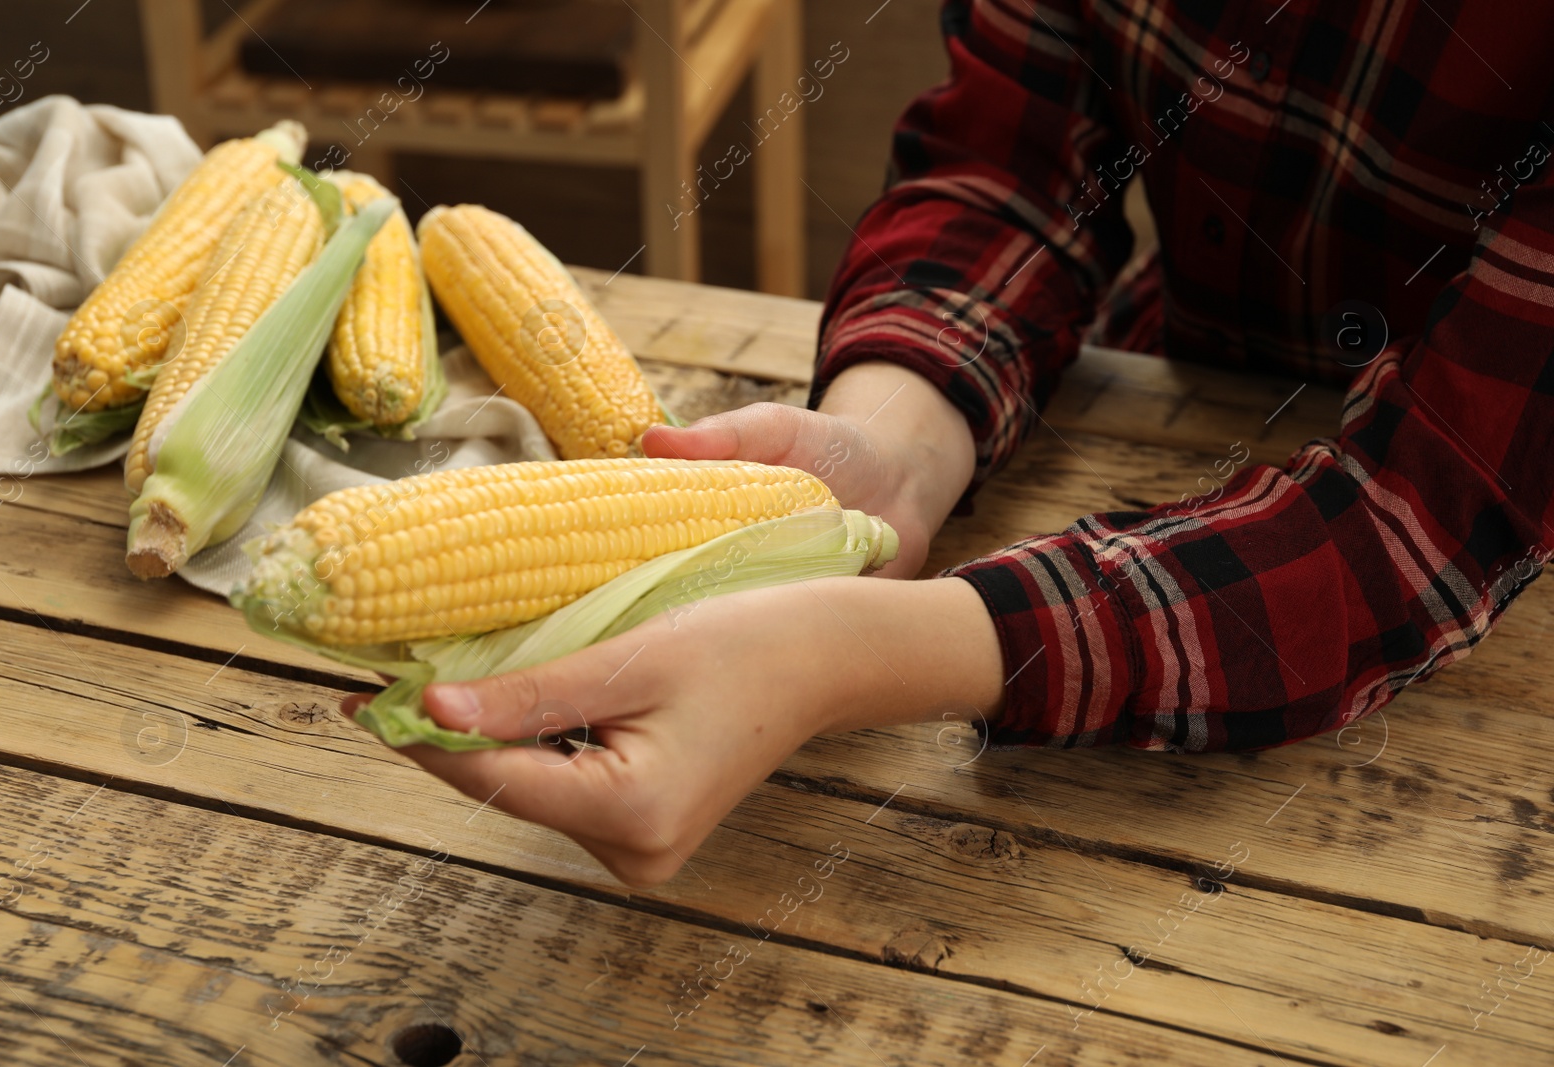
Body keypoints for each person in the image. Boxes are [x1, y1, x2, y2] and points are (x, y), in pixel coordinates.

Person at [343, 0, 1554, 888]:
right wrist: (888, 453)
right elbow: (1007, 171)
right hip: (1174, 388)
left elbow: (1411, 520)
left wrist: (854, 651)